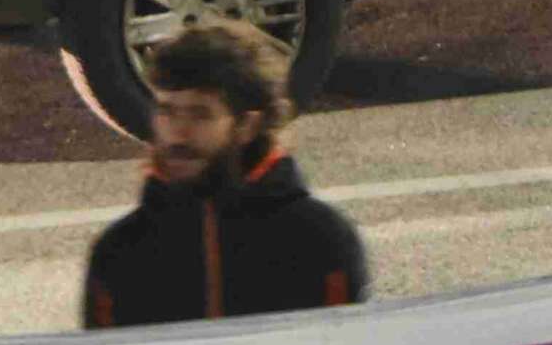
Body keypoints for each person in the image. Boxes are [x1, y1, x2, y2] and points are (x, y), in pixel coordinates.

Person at [80, 20, 368, 328]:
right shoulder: (118, 254)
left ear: (247, 126)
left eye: (200, 114)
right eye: (167, 111)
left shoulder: (320, 242)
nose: (178, 133)